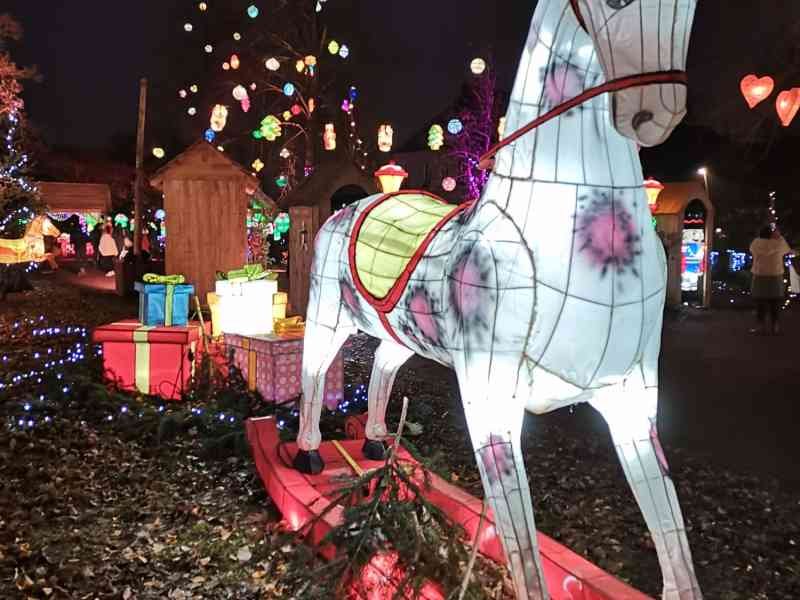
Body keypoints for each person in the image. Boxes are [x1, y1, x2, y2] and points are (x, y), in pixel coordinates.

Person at [749, 225, 791, 335]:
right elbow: (787, 250)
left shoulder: (756, 243)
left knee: (760, 303)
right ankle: (775, 326)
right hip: (775, 275)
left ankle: (760, 326)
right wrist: (779, 236)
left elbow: (751, 250)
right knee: (775, 303)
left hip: (760, 275)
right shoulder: (779, 243)